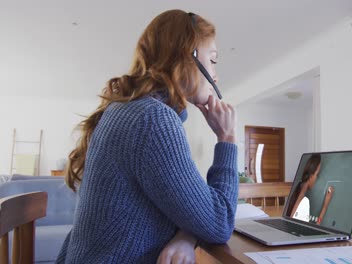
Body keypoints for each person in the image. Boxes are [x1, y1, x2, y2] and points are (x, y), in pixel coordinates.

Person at [56, 9, 238, 264]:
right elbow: (220, 222)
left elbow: (187, 205)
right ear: (188, 56)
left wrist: (186, 235)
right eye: (213, 60)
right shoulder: (153, 121)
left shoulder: (131, 110)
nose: (216, 75)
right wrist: (227, 138)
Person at [285, 154, 334, 225]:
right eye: (317, 175)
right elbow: (313, 232)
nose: (317, 178)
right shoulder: (304, 202)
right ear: (311, 176)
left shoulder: (297, 190)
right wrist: (325, 206)